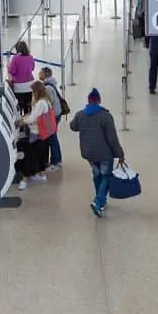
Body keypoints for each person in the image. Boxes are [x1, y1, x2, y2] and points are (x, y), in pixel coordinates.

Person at [69, 89, 125, 218]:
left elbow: (73, 127)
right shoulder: (105, 116)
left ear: (88, 100)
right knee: (106, 176)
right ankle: (98, 202)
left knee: (97, 175)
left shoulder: (80, 115)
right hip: (104, 153)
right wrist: (120, 154)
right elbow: (112, 139)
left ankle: (101, 201)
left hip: (89, 153)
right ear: (99, 101)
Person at [14, 80, 54, 190]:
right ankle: (41, 174)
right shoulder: (46, 101)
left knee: (30, 156)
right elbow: (34, 115)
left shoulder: (40, 103)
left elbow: (33, 118)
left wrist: (21, 121)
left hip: (36, 133)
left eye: (33, 91)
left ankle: (25, 179)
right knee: (41, 154)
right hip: (44, 133)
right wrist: (23, 118)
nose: (32, 93)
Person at [39, 67, 64, 170]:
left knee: (52, 138)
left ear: (45, 74)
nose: (38, 74)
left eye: (40, 73)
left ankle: (56, 160)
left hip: (52, 115)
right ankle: (56, 159)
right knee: (53, 137)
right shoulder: (51, 84)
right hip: (56, 114)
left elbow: (49, 103)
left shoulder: (47, 88)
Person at [7, 40, 36, 115]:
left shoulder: (15, 58)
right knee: (28, 105)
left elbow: (12, 71)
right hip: (29, 85)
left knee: (19, 106)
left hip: (18, 86)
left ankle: (20, 124)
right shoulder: (30, 57)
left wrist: (9, 66)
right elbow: (32, 68)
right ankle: (27, 123)